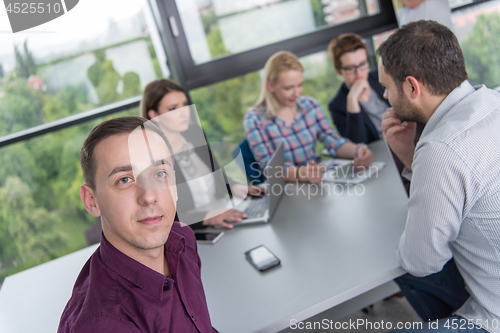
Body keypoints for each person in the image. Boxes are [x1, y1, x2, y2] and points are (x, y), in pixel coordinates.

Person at [378, 20, 500, 332]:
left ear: (411, 87)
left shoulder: (441, 149)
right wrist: (410, 155)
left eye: (387, 87)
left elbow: (421, 262)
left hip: (494, 315)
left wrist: (420, 156)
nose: (384, 95)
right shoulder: (494, 100)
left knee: (404, 263)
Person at [58, 116, 218, 332]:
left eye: (160, 173)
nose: (149, 196)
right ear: (91, 201)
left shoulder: (182, 241)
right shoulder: (104, 323)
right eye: (124, 179)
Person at [141, 79, 265, 229]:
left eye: (184, 104)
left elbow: (215, 173)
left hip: (222, 215)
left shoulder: (194, 133)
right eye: (173, 108)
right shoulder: (151, 158)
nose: (184, 112)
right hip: (190, 231)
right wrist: (206, 218)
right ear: (154, 115)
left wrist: (233, 186)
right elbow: (159, 214)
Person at [244, 51, 373, 184]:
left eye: (300, 85)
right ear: (270, 85)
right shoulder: (254, 120)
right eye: (288, 88)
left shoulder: (310, 105)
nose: (297, 93)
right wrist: (302, 174)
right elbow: (270, 168)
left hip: (319, 181)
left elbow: (333, 140)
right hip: (290, 188)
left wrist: (358, 150)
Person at [328, 33, 389, 144]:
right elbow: (357, 145)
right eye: (350, 68)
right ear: (339, 70)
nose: (358, 72)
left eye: (362, 64)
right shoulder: (337, 106)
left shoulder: (382, 77)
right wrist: (352, 99)